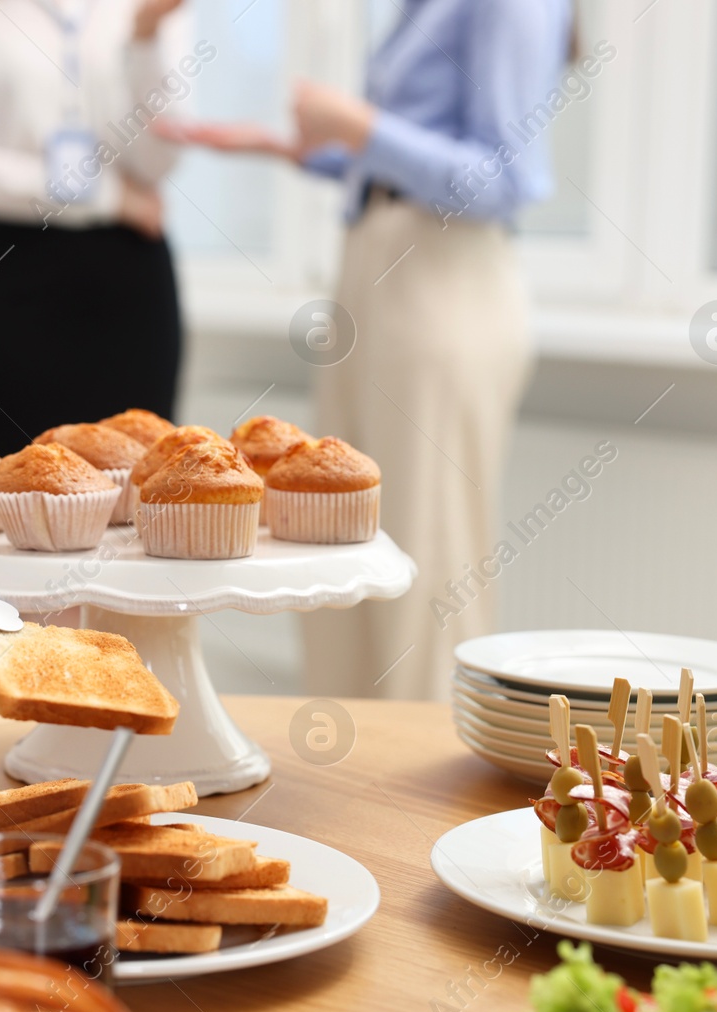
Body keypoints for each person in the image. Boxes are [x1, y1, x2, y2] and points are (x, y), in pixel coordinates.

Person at [164, 0, 572, 700]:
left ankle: (419, 802)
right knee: (339, 553)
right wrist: (302, 148)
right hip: (376, 272)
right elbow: (402, 163)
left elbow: (503, 177)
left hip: (443, 283)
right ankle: (347, 786)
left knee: (428, 564)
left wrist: (358, 125)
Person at [0, 0, 189, 457]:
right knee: (19, 492)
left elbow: (159, 159)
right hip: (18, 277)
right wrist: (107, 197)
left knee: (135, 496)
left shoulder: (152, 9)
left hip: (131, 283)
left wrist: (146, 38)